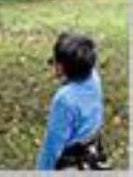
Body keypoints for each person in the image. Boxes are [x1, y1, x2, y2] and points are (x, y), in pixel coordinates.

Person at [36, 32, 109, 170]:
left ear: (61, 67)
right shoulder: (94, 78)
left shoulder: (64, 99)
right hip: (93, 153)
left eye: (55, 61)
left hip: (72, 162)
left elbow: (53, 145)